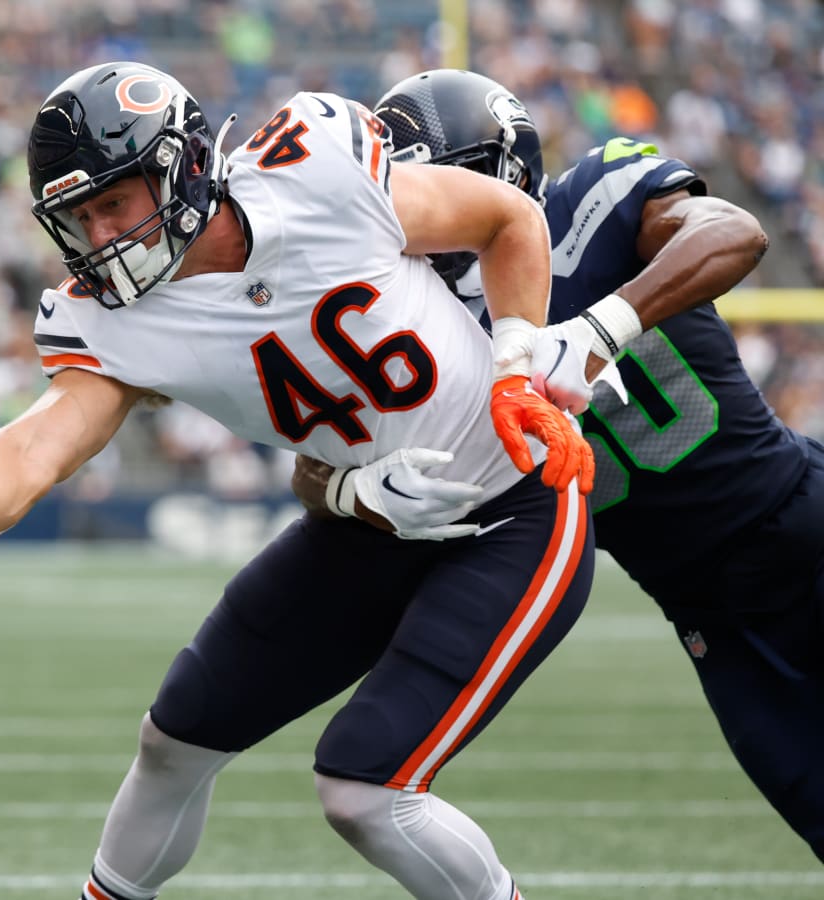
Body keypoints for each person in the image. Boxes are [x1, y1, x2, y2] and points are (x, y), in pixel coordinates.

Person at [0, 61, 597, 899]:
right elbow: (41, 443)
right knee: (172, 741)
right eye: (78, 215)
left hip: (511, 508)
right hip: (367, 525)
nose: (100, 233)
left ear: (181, 166)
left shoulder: (315, 168)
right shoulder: (111, 318)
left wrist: (515, 367)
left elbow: (507, 217)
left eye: (115, 201)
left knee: (365, 792)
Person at [293, 69, 824, 863]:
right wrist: (349, 487)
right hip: (709, 619)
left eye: (418, 181)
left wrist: (609, 322)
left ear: (493, 175)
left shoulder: (593, 203)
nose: (404, 211)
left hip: (801, 524)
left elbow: (734, 230)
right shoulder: (418, 330)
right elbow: (312, 466)